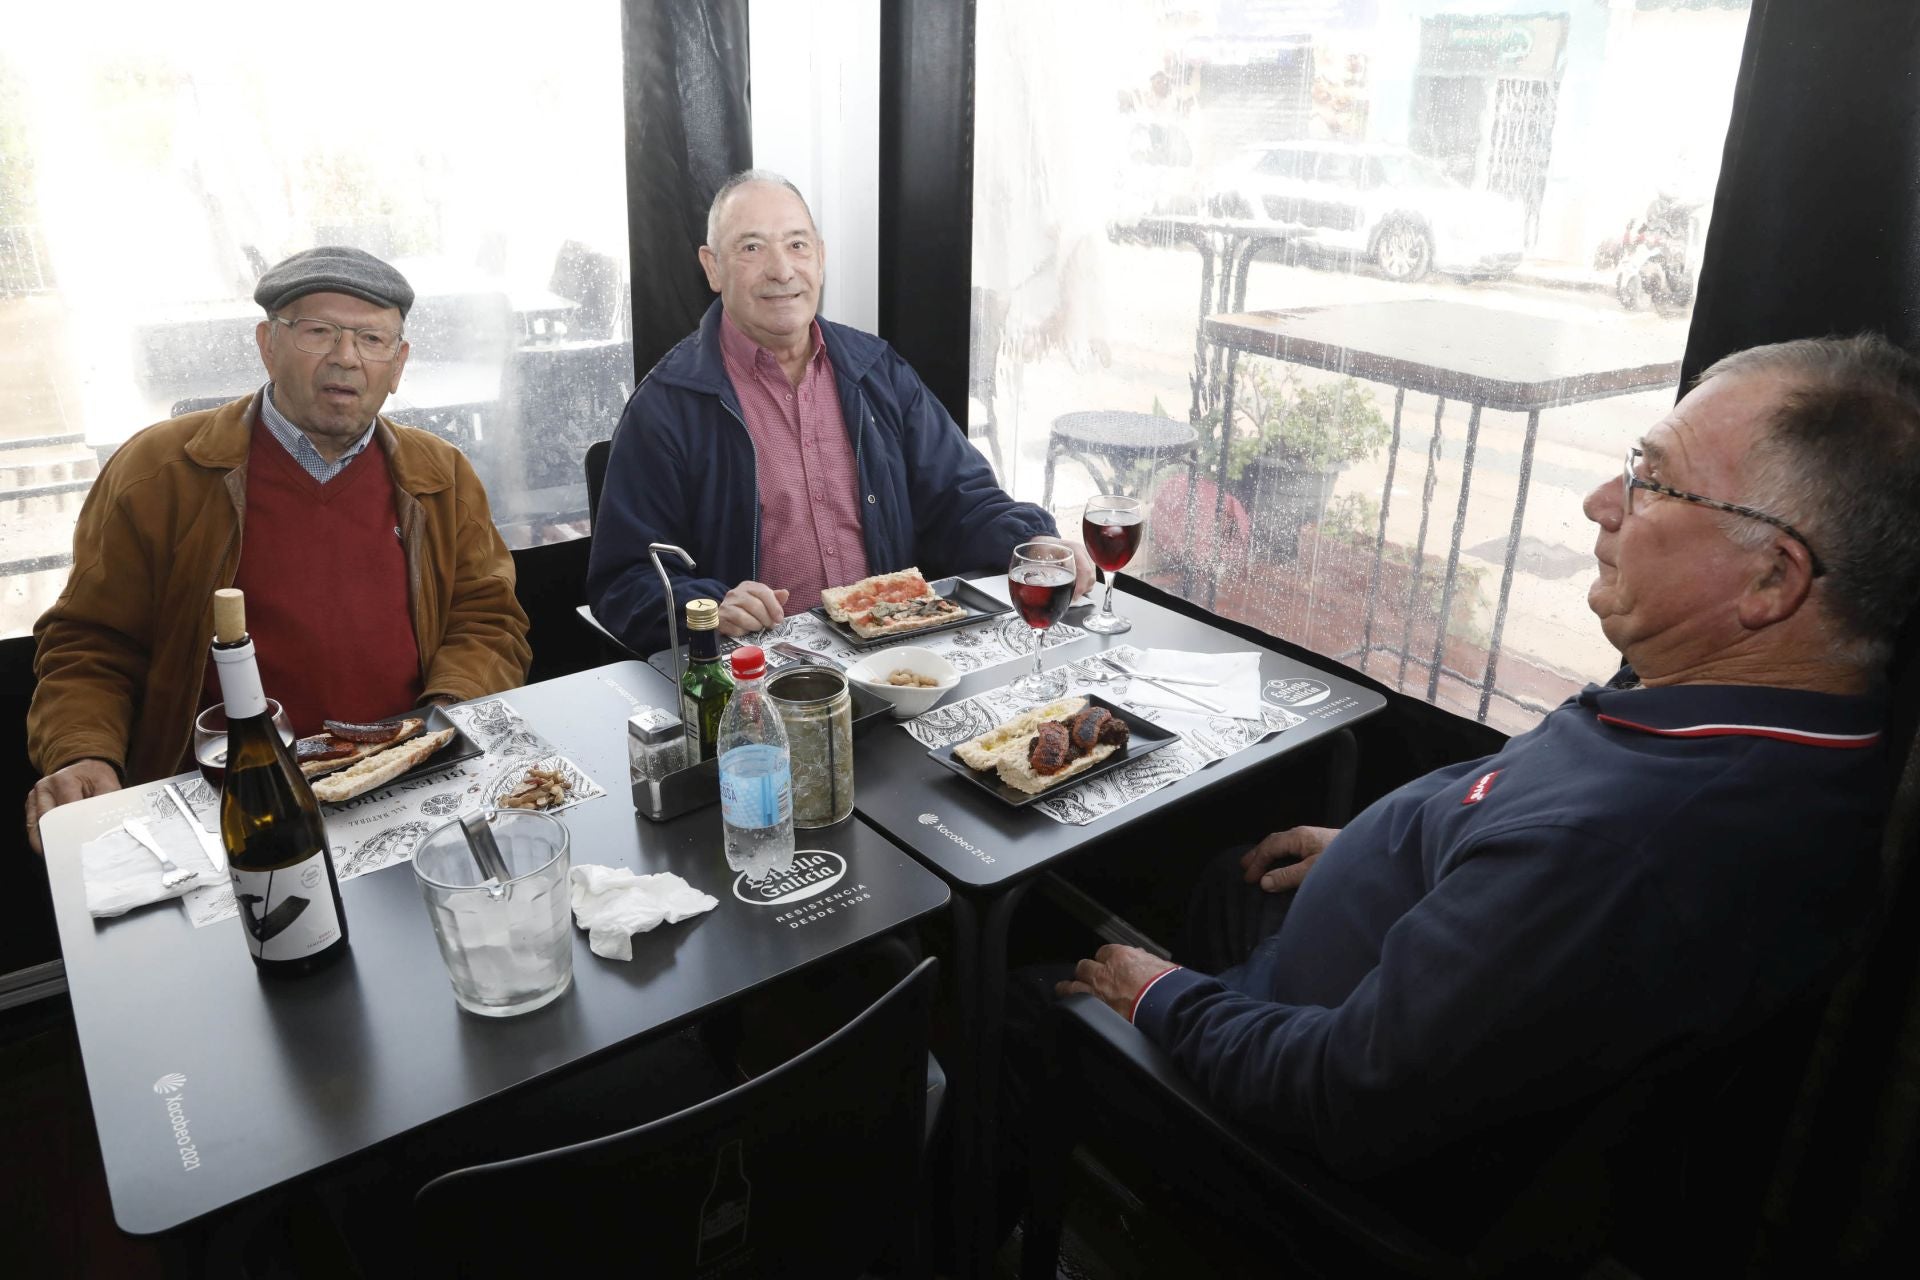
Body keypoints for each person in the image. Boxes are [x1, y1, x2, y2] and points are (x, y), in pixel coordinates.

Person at [1056, 334, 1920, 1191]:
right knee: (1221, 875)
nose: (1599, 502)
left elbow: (1342, 1096)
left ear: (1773, 579)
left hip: (1312, 1118)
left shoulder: (1625, 851)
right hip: (1370, 960)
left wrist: (1158, 997)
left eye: (1652, 483)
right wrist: (1391, 845)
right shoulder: (1749, 720)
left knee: (1026, 998)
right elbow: (1528, 843)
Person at [25, 247, 530, 850]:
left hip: (403, 782)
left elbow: (488, 619)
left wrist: (441, 722)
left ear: (398, 365)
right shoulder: (160, 472)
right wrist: (85, 751)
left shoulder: (440, 475)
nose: (346, 358)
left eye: (372, 339)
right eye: (318, 332)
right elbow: (92, 642)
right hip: (229, 799)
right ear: (267, 343)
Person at [587, 170, 1090, 653]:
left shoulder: (876, 372)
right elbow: (624, 581)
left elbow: (961, 499)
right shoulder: (668, 406)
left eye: (797, 244)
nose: (782, 270)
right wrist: (707, 607)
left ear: (820, 258)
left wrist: (1034, 541)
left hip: (896, 653)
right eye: (752, 247)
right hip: (760, 676)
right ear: (712, 267)